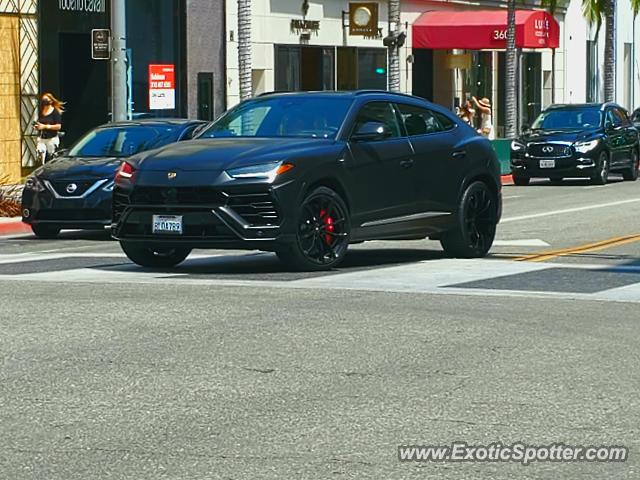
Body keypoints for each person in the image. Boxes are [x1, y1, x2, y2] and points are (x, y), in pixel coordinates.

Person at [34, 92, 64, 163]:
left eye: (46, 100)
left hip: (51, 138)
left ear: (51, 100)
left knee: (51, 157)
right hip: (42, 138)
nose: (44, 101)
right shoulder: (41, 111)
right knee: (40, 153)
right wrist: (38, 126)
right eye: (43, 100)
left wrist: (45, 126)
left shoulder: (55, 112)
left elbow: (58, 126)